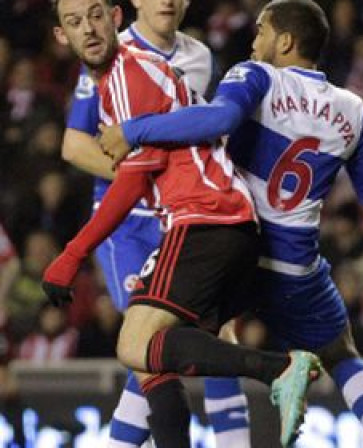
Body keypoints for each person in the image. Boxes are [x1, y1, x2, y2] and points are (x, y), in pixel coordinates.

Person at [96, 1, 363, 446]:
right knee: (341, 353)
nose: (254, 41)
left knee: (151, 343)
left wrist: (135, 130)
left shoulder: (257, 75)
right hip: (297, 269)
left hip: (233, 249)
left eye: (262, 31)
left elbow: (220, 118)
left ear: (285, 41)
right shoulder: (353, 108)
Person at [46, 1, 320, 447]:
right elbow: (92, 150)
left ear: (115, 18)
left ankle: (281, 368)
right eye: (75, 23)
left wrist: (73, 253)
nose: (88, 29)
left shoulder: (128, 73)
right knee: (153, 359)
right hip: (218, 220)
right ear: (62, 37)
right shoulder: (126, 74)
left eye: (95, 16)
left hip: (203, 219)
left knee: (135, 345)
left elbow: (136, 177)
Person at [59, 0, 252, 445]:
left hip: (184, 217)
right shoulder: (110, 51)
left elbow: (207, 135)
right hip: (129, 224)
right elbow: (74, 145)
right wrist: (144, 178)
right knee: (149, 344)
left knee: (210, 334)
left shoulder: (200, 56)